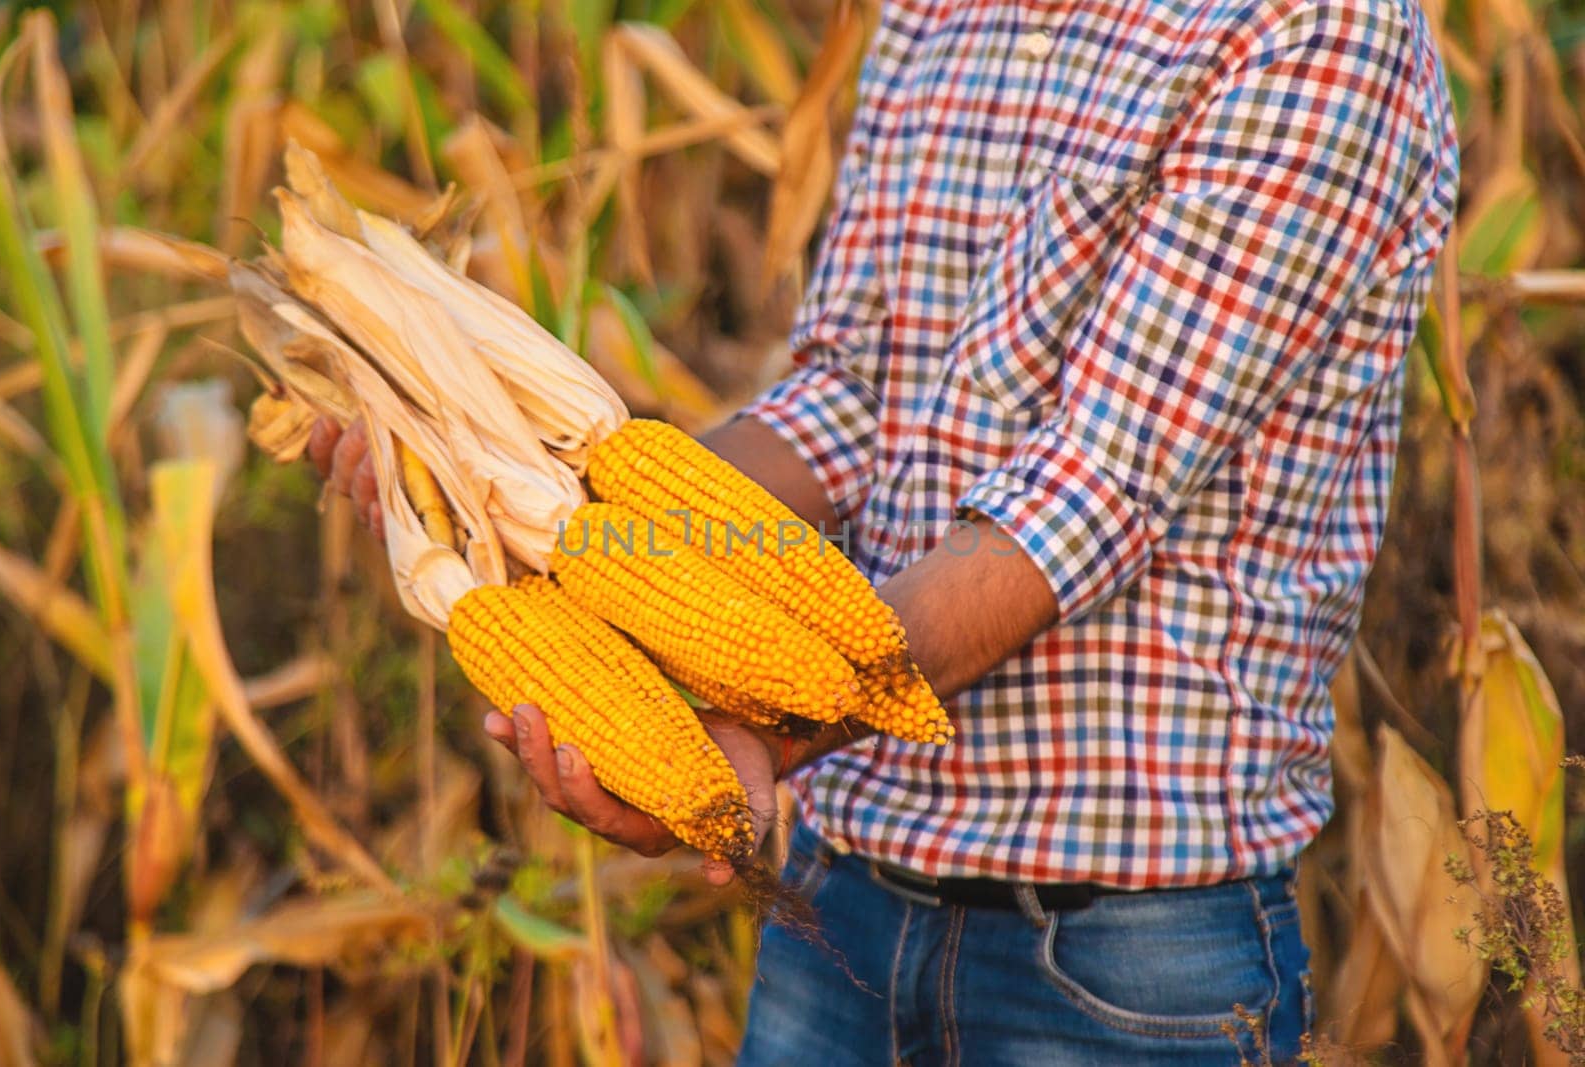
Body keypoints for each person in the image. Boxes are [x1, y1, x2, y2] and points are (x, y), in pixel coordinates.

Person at [313, 0, 1459, 1060]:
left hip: (1123, 955)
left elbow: (1094, 487)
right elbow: (853, 395)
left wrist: (771, 721)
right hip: (842, 910)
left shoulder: (1315, 28)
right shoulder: (934, 9)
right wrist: (523, 493)